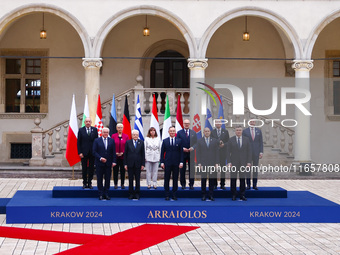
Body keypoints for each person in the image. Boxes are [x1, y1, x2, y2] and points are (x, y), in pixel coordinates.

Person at [226, 125, 252, 201]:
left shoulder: (246, 140)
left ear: (242, 131)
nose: (238, 131)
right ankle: (234, 194)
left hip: (243, 163)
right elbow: (228, 152)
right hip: (233, 162)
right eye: (237, 130)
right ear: (235, 131)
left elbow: (249, 151)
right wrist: (229, 162)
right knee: (233, 179)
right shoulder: (231, 140)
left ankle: (242, 195)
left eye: (240, 130)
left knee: (242, 179)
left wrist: (249, 162)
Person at [92, 127, 116, 200]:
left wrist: (114, 161)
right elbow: (94, 152)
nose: (105, 133)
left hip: (108, 164)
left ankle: (106, 193)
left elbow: (113, 152)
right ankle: (100, 194)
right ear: (102, 133)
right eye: (104, 132)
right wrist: (100, 158)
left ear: (108, 133)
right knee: (99, 179)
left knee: (107, 179)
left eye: (107, 132)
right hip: (99, 163)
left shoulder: (111, 140)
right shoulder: (97, 140)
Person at [160, 126, 184, 201]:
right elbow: (162, 152)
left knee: (175, 178)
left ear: (175, 132)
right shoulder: (165, 141)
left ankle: (174, 194)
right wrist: (162, 162)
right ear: (168, 132)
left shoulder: (179, 141)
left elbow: (181, 153)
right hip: (167, 163)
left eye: (173, 131)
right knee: (166, 179)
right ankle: (167, 194)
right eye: (171, 131)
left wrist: (181, 162)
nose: (172, 132)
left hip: (176, 163)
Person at [196, 127, 219, 201]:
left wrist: (216, 163)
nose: (207, 132)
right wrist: (199, 163)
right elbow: (198, 153)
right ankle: (203, 195)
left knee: (211, 179)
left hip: (212, 163)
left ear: (210, 132)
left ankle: (211, 195)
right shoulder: (199, 141)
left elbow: (217, 153)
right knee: (203, 179)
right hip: (203, 163)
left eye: (208, 131)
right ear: (203, 132)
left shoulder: (215, 141)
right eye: (205, 131)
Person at [77, 117, 98, 189]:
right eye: (86, 121)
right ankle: (84, 182)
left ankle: (90, 182)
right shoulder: (81, 130)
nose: (88, 122)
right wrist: (80, 152)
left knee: (91, 168)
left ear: (91, 122)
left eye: (89, 121)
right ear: (84, 122)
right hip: (84, 153)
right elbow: (78, 142)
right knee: (84, 168)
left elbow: (96, 141)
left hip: (92, 153)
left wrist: (96, 151)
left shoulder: (94, 130)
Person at [124, 129, 145, 200]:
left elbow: (143, 154)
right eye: (134, 134)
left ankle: (137, 194)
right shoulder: (128, 142)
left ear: (138, 135)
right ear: (132, 135)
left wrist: (143, 164)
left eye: (136, 135)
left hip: (138, 165)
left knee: (137, 179)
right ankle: (130, 193)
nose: (135, 136)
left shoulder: (141, 142)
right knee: (130, 180)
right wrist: (125, 164)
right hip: (130, 164)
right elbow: (125, 154)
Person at [242, 120, 263, 190]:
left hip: (256, 153)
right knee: (248, 169)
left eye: (253, 122)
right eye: (251, 122)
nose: (252, 123)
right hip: (247, 153)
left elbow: (261, 142)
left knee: (255, 169)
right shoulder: (245, 131)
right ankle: (248, 184)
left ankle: (254, 184)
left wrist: (261, 152)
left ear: (255, 123)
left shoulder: (258, 131)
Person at [176, 119, 197, 190]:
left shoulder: (193, 132)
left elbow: (196, 143)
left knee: (192, 170)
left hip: (191, 153)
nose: (186, 124)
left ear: (189, 124)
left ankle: (191, 184)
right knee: (182, 170)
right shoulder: (179, 133)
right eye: (185, 123)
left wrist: (193, 148)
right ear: (183, 124)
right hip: (182, 154)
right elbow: (177, 143)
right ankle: (183, 184)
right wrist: (182, 148)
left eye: (188, 123)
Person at [211, 119, 229, 190]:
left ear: (221, 124)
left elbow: (228, 142)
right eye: (216, 122)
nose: (218, 124)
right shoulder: (212, 132)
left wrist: (224, 144)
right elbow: (211, 141)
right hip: (214, 153)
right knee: (215, 169)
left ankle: (222, 184)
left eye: (219, 122)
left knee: (222, 169)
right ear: (215, 124)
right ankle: (215, 184)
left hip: (223, 153)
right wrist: (218, 142)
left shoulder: (225, 132)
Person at [111, 123, 129, 189]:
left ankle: (122, 184)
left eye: (121, 127)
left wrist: (123, 152)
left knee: (122, 171)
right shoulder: (113, 136)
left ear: (123, 128)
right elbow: (112, 145)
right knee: (115, 170)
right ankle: (115, 183)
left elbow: (127, 146)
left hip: (123, 157)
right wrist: (115, 153)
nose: (120, 129)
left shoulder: (126, 136)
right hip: (115, 157)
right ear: (116, 128)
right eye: (118, 127)